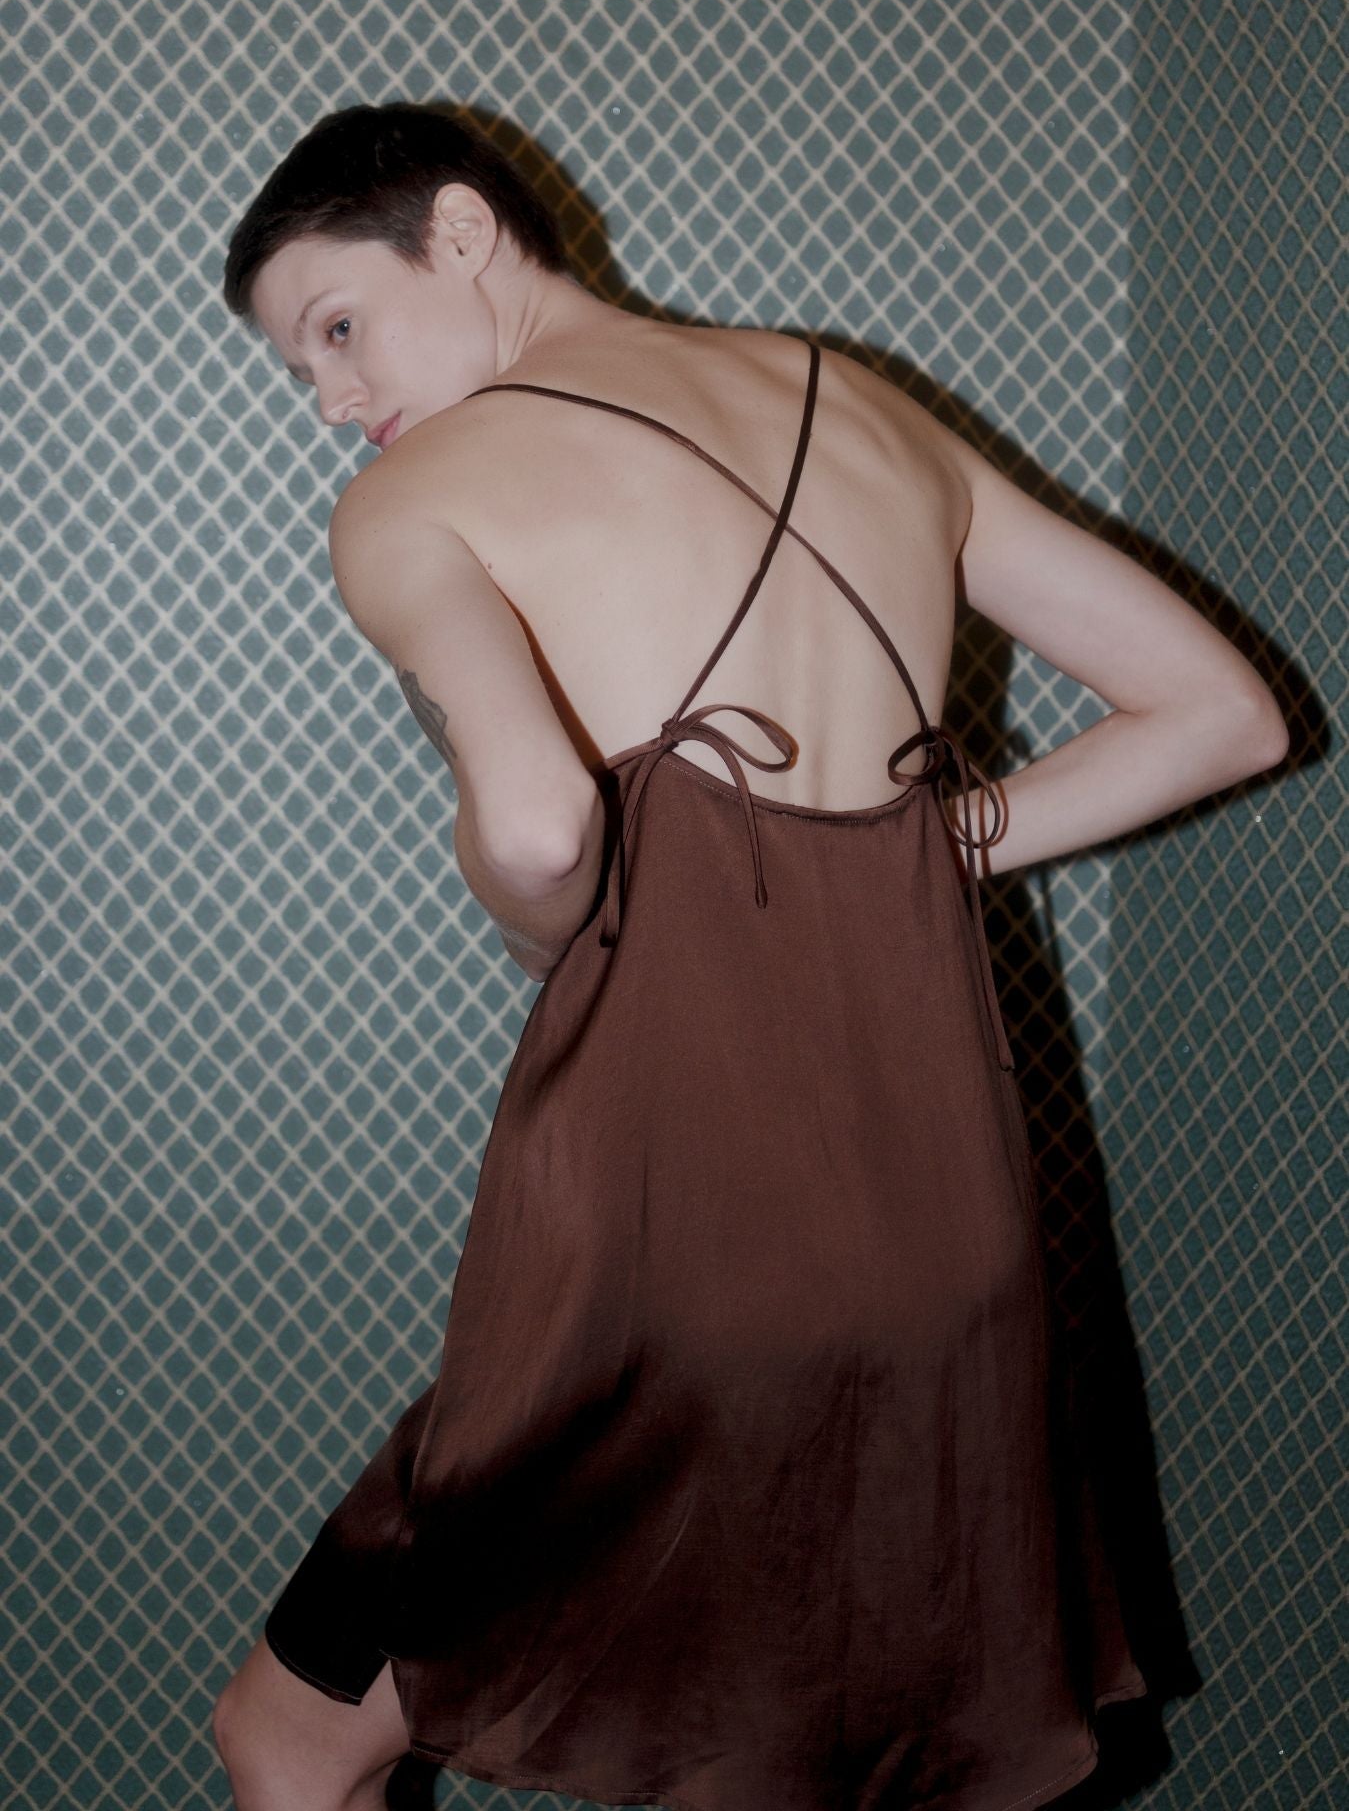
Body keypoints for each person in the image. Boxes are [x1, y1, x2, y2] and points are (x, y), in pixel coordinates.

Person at [212, 100, 1287, 1811]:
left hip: (676, 1272)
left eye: (335, 328)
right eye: (300, 373)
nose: (333, 401)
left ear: (464, 233)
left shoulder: (413, 498)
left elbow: (538, 833)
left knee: (285, 1738)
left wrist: (548, 929)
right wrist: (938, 842)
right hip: (953, 1266)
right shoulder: (862, 409)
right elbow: (1223, 714)